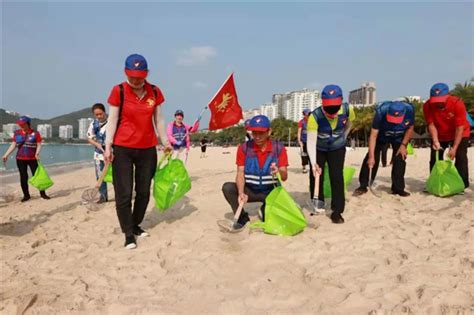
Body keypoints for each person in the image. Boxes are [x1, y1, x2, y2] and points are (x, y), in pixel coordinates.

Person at [105, 54, 170, 249]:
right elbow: (112, 120)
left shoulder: (154, 91)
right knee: (124, 193)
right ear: (126, 73)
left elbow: (158, 120)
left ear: (146, 74)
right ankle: (128, 233)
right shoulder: (119, 91)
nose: (136, 80)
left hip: (147, 148)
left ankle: (135, 224)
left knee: (143, 192)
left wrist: (165, 141)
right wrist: (108, 146)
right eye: (132, 76)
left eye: (140, 76)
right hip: (123, 148)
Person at [222, 115, 289, 230]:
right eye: (254, 133)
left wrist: (279, 171)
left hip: (270, 192)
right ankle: (242, 218)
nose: (257, 137)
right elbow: (240, 172)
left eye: (261, 133)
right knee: (228, 188)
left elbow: (284, 177)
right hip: (250, 191)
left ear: (269, 131)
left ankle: (264, 209)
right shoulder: (244, 148)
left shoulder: (278, 148)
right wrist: (241, 192)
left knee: (269, 218)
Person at [307, 85, 355, 224]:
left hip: (337, 147)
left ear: (341, 102)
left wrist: (343, 137)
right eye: (328, 107)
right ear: (322, 103)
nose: (331, 111)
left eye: (334, 107)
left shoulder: (348, 110)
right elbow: (311, 142)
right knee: (315, 175)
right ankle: (318, 203)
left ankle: (337, 210)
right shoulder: (314, 116)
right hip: (318, 148)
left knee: (336, 176)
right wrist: (313, 163)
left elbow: (349, 124)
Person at [354, 101, 415, 196]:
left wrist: (403, 145)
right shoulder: (381, 112)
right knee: (371, 157)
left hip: (399, 137)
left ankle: (397, 188)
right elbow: (373, 135)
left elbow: (410, 129)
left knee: (400, 158)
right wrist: (371, 156)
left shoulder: (410, 110)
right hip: (381, 136)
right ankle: (363, 185)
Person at [424, 83, 470, 189]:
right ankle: (435, 182)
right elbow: (431, 124)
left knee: (460, 156)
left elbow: (459, 128)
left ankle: (462, 184)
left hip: (460, 133)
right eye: (435, 100)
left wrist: (454, 148)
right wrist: (435, 141)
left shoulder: (457, 103)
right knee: (435, 157)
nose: (438, 103)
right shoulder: (427, 105)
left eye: (441, 99)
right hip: (440, 134)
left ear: (448, 95)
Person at [2, 116, 50, 202]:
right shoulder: (17, 133)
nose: (21, 126)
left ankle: (43, 194)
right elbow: (13, 144)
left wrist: (37, 153)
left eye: (23, 124)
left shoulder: (36, 133)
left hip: (32, 158)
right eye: (20, 124)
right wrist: (6, 155)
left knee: (37, 176)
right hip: (20, 159)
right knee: (23, 177)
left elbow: (39, 144)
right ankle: (26, 196)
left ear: (28, 124)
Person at [87, 103, 108, 203]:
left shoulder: (112, 122)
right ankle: (103, 196)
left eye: (101, 113)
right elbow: (89, 138)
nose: (99, 116)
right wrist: (97, 144)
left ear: (104, 112)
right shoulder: (93, 124)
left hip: (111, 154)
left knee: (115, 176)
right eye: (97, 115)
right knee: (100, 176)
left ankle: (120, 196)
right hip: (98, 154)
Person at [298, 109, 311, 173]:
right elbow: (299, 132)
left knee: (311, 155)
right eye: (307, 114)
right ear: (304, 115)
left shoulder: (312, 121)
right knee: (303, 155)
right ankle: (304, 168)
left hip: (311, 141)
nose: (308, 115)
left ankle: (312, 167)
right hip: (303, 141)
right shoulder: (301, 122)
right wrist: (299, 141)